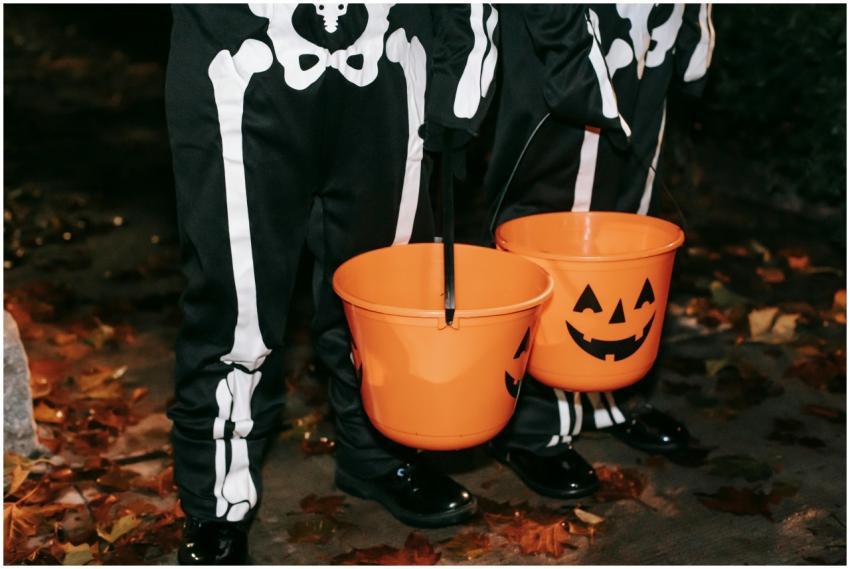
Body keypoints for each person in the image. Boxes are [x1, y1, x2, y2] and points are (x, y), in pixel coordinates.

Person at [165, 4, 497, 564]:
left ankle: (377, 452)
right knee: (235, 299)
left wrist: (463, 77)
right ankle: (218, 497)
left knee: (386, 289)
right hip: (239, 57)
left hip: (392, 57)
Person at [481, 4, 715, 499]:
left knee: (632, 216)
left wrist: (695, 26)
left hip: (646, 31)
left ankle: (610, 394)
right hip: (567, 27)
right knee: (553, 217)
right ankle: (533, 422)